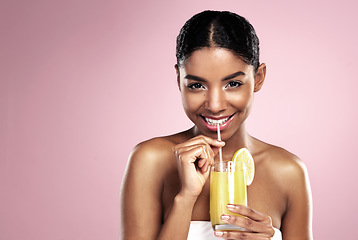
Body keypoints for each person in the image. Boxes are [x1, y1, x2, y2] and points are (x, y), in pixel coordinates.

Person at [120, 10, 313, 240]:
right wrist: (185, 198)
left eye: (232, 83)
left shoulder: (288, 172)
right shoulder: (151, 160)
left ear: (258, 78)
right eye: (196, 86)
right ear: (179, 80)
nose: (214, 105)